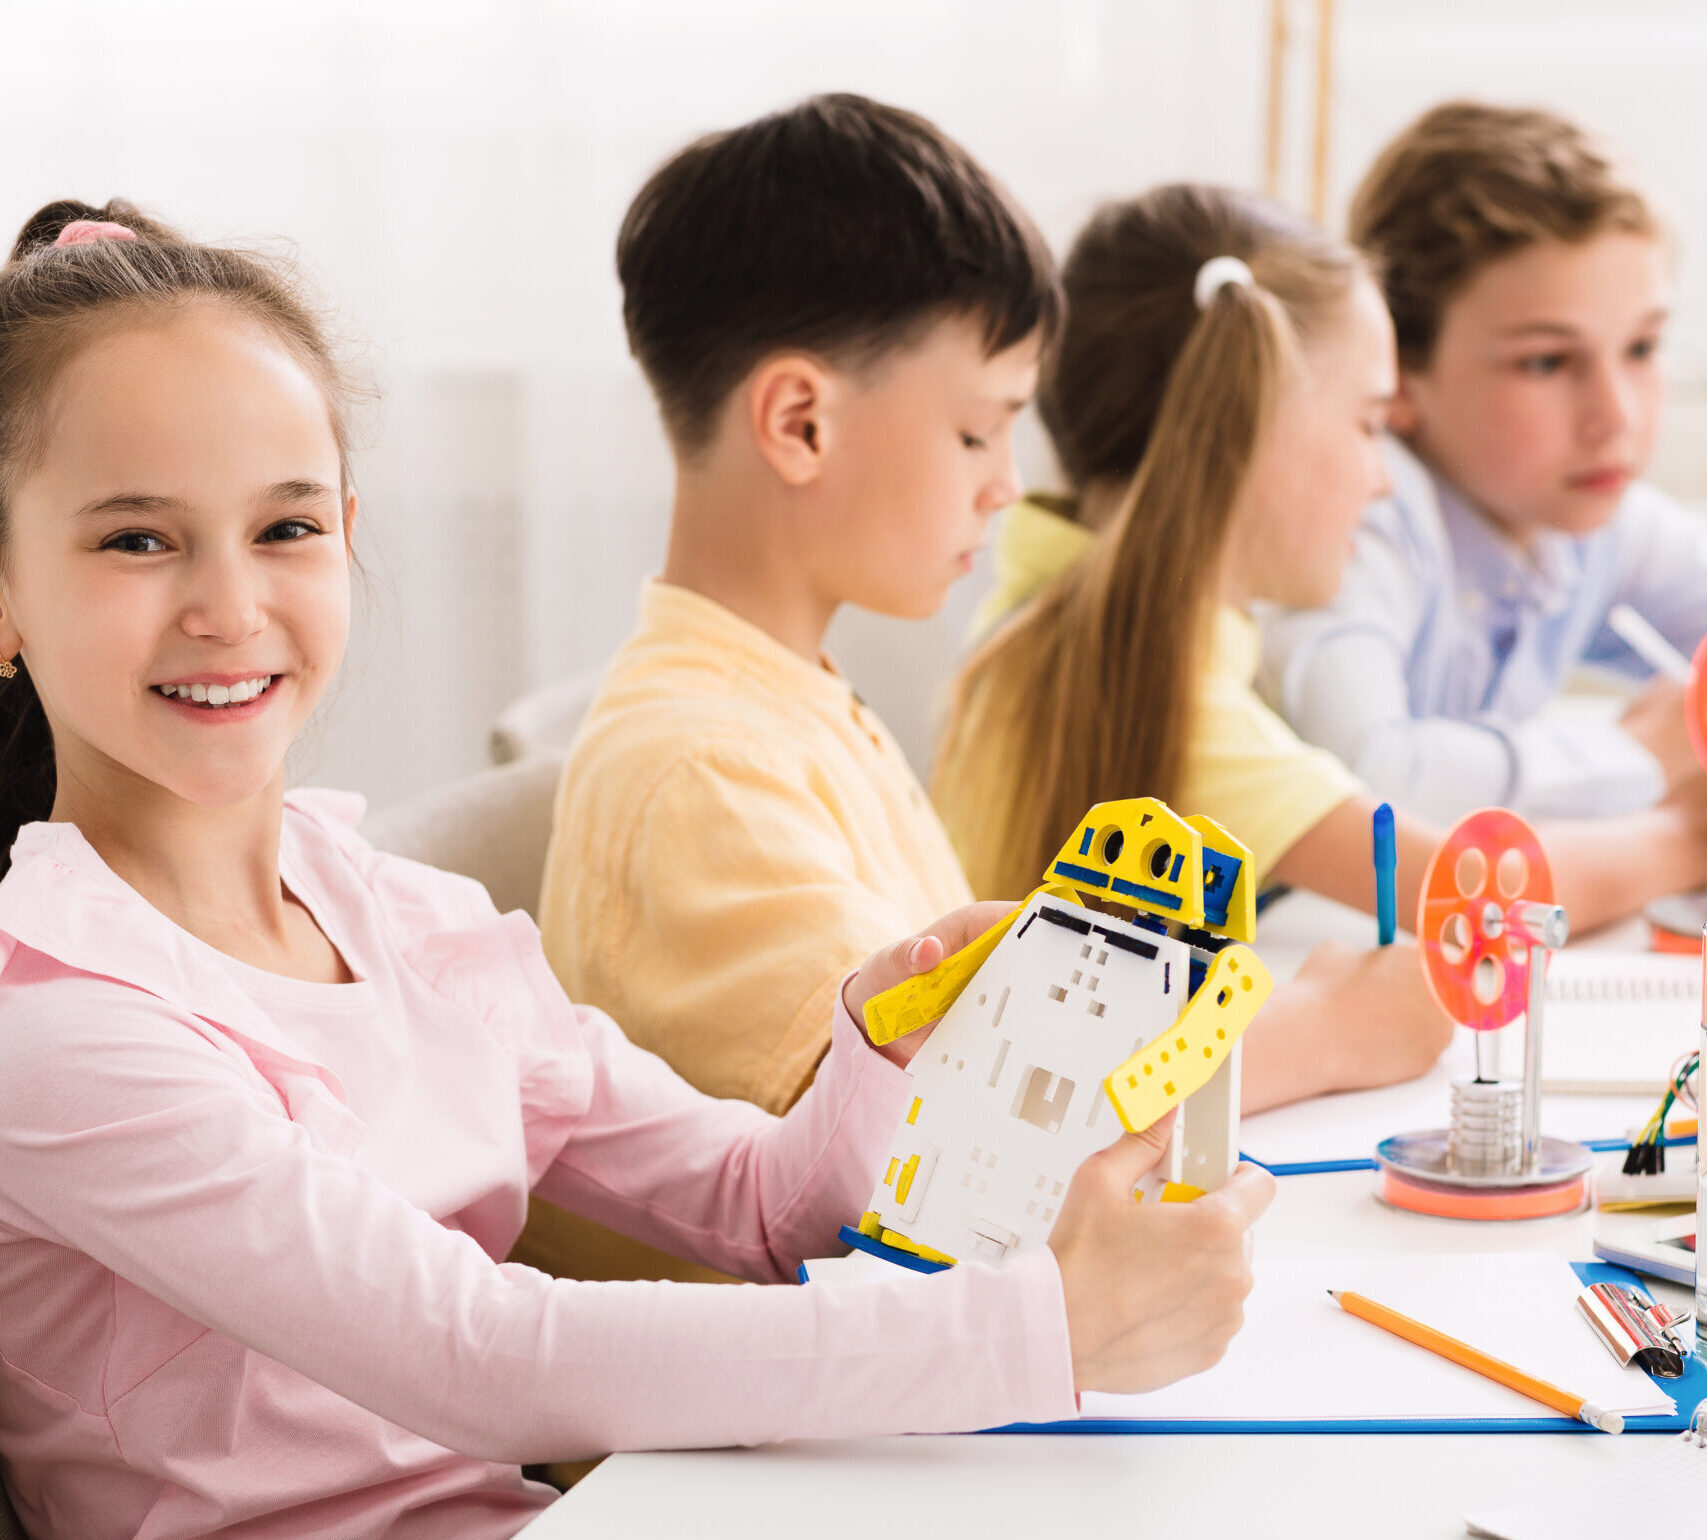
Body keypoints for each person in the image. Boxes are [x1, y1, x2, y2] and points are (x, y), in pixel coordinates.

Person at [0, 201, 1274, 1540]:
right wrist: (1045, 1327)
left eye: (286, 529)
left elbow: (754, 1205)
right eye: (135, 539)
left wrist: (894, 1043)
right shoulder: (56, 1023)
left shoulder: (398, 919)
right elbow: (481, 1357)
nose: (228, 605)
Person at [538, 94, 1055, 1121]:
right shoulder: (706, 772)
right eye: (974, 434)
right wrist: (1312, 1034)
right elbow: (949, 1133)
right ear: (800, 422)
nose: (1005, 486)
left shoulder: (793, 698)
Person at [935, 184, 1455, 1109]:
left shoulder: (1036, 605)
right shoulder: (1145, 683)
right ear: (1251, 420)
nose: (1381, 483)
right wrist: (1678, 835)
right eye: (1369, 426)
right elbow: (1466, 895)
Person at [1261, 101, 1707, 828]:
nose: (1616, 415)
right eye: (1545, 361)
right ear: (1397, 370)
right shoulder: (1359, 515)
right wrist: (1642, 755)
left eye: (1641, 348)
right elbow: (1366, 779)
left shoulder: (1586, 512)